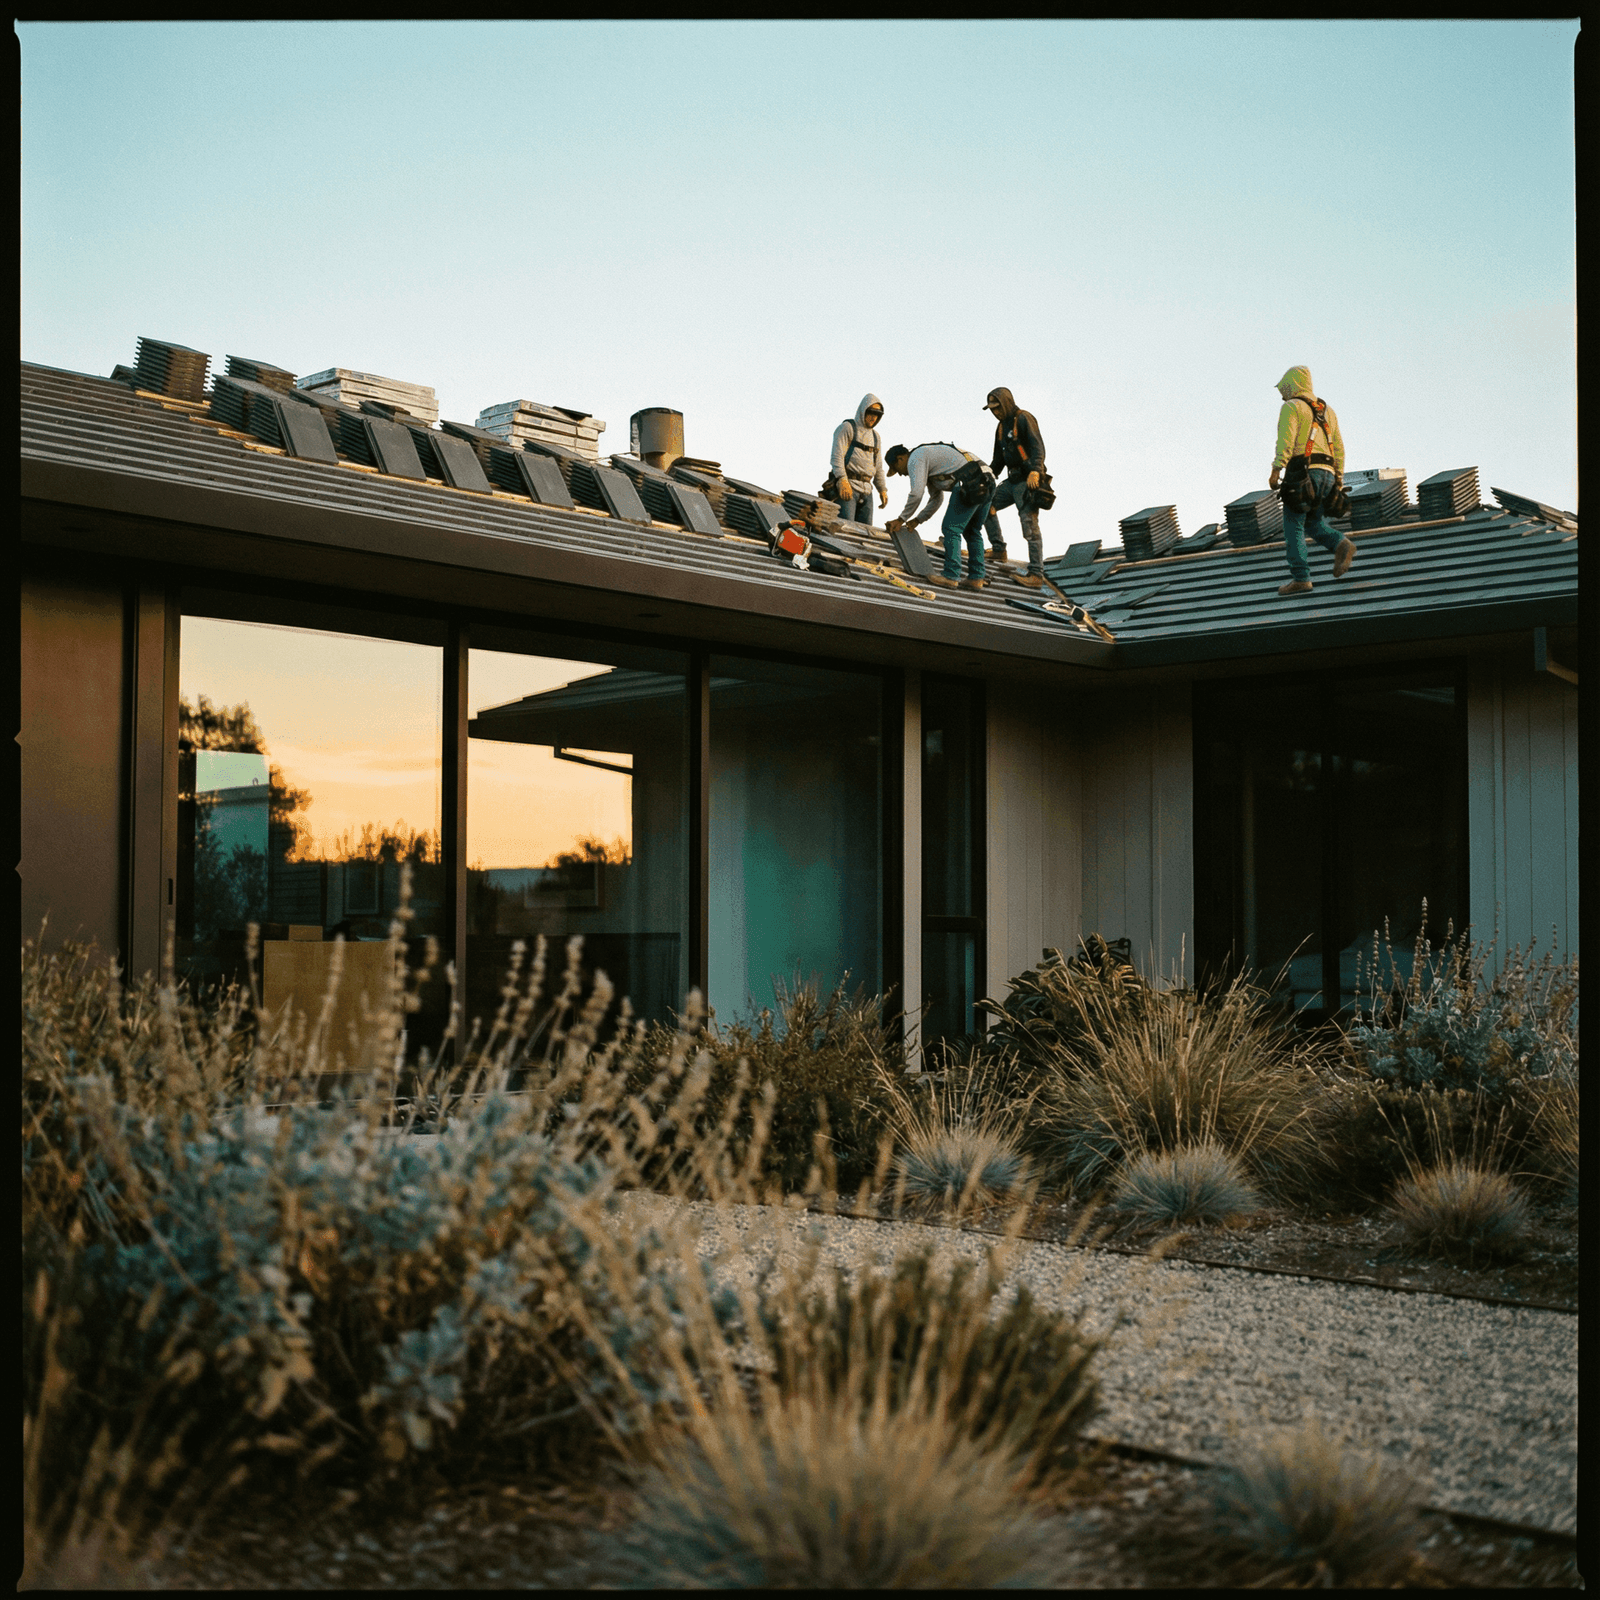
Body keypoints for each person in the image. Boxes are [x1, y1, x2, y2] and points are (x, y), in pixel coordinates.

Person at [1268, 365, 1356, 596]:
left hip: (1302, 473)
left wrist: (1277, 469)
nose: (1281, 394)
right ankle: (1340, 543)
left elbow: (1286, 441)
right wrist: (1338, 479)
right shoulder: (1328, 411)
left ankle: (1301, 578)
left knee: (1293, 525)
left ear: (1292, 385)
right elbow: (1339, 448)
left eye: (1283, 388)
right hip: (1326, 472)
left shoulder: (1291, 407)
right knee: (1313, 523)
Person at [884, 441, 996, 590]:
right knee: (972, 530)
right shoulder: (930, 462)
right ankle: (976, 577)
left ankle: (951, 576)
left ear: (900, 459)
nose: (901, 474)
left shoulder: (915, 458)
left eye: (896, 469)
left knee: (951, 529)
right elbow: (937, 499)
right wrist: (918, 520)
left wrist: (901, 519)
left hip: (970, 481)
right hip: (987, 480)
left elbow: (917, 494)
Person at [981, 387, 1047, 588]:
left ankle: (1036, 573)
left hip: (1028, 480)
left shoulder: (1024, 418)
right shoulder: (1001, 427)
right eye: (992, 409)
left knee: (1029, 524)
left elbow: (1038, 447)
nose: (995, 412)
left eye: (998, 407)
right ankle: (999, 549)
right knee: (985, 503)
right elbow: (998, 460)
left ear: (1006, 403)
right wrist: (988, 478)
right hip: (1012, 481)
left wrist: (1036, 470)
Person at [829, 394, 889, 526]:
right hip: (848, 486)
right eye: (870, 412)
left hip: (867, 490)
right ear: (863, 410)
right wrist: (842, 479)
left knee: (865, 533)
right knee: (845, 529)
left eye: (877, 414)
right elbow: (836, 456)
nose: (873, 417)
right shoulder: (847, 428)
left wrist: (882, 489)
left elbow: (878, 466)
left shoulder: (875, 437)